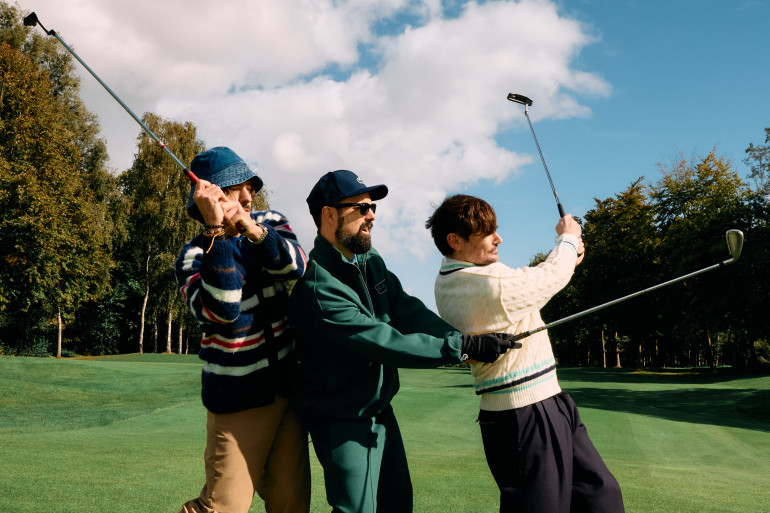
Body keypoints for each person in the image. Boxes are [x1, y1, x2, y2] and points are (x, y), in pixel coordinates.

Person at [289, 170, 516, 513]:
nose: (372, 215)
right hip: (342, 418)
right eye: (362, 208)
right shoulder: (319, 286)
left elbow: (406, 309)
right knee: (357, 511)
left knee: (397, 504)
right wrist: (460, 349)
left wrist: (461, 339)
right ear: (329, 214)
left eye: (373, 207)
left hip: (380, 410)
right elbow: (382, 340)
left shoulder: (370, 260)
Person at [427, 194, 624, 513]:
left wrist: (566, 257)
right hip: (523, 414)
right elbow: (548, 278)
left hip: (550, 401)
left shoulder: (453, 280)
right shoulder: (488, 285)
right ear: (455, 241)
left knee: (601, 497)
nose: (498, 239)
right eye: (487, 234)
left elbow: (535, 280)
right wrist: (567, 239)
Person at [174, 146, 311, 513]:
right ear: (211, 197)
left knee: (290, 503)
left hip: (288, 391)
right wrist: (217, 233)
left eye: (251, 187)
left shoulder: (271, 223)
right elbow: (222, 309)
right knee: (223, 507)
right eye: (236, 189)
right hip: (237, 399)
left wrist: (253, 232)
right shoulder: (192, 256)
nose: (249, 197)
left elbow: (297, 268)